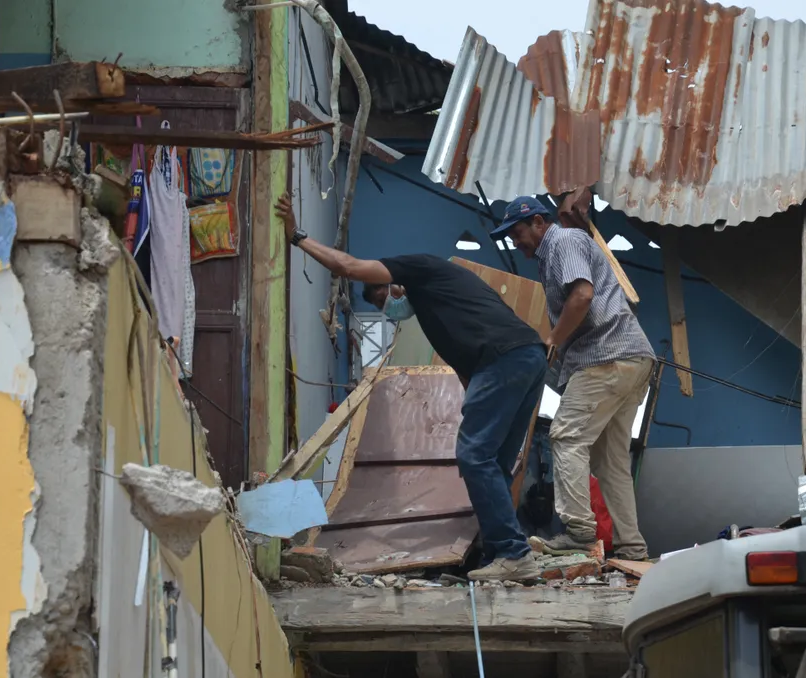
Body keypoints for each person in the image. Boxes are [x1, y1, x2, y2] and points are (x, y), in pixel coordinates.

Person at [275, 194, 547, 581]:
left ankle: (512, 552)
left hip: (505, 359)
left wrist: (297, 236)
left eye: (384, 293)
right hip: (527, 358)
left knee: (473, 456)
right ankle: (500, 554)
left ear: (395, 280)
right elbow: (470, 370)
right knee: (494, 463)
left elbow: (349, 266)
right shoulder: (443, 304)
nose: (387, 305)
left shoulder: (418, 267)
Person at [493, 196, 656, 562]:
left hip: (605, 357)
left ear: (538, 222)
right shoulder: (554, 254)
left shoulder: (563, 241)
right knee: (610, 460)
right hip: (630, 359)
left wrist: (552, 339)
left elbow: (582, 295)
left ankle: (580, 533)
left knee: (566, 436)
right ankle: (632, 547)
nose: (515, 242)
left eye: (517, 233)